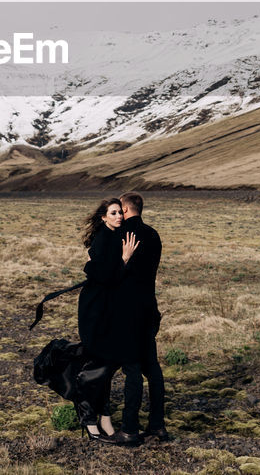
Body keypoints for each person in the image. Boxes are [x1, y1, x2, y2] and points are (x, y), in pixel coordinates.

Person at [107, 190, 168, 446]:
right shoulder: (154, 235)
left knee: (131, 368)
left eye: (120, 209)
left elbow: (112, 273)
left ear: (125, 208)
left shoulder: (120, 235)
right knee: (152, 368)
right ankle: (157, 426)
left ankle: (130, 428)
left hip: (127, 311)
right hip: (149, 308)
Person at [76, 197, 138, 441]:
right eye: (113, 213)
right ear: (103, 217)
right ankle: (91, 421)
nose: (119, 216)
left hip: (107, 310)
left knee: (107, 366)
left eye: (120, 213)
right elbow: (101, 275)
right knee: (98, 368)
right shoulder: (104, 238)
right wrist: (124, 259)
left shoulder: (116, 236)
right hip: (95, 311)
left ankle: (104, 417)